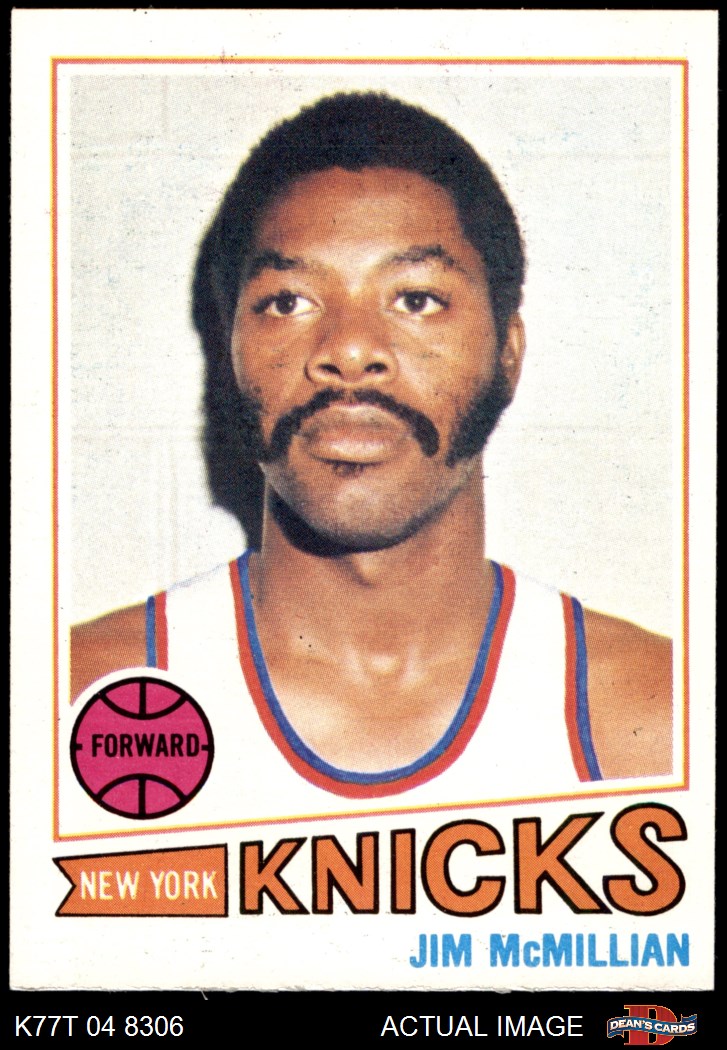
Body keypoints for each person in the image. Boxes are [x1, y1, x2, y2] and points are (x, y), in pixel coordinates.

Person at [71, 93, 671, 808]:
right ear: (227, 354)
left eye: (415, 299)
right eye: (288, 301)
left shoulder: (660, 726)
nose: (350, 350)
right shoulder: (74, 707)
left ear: (507, 355)